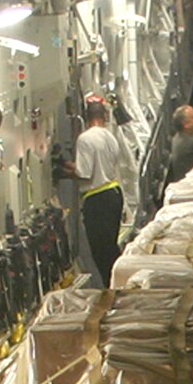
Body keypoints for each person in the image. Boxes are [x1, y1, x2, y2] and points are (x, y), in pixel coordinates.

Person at [69, 95, 128, 283]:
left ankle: (113, 290)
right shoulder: (110, 137)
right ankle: (118, 285)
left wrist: (64, 170)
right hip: (114, 193)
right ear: (104, 116)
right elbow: (104, 165)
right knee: (111, 247)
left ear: (86, 117)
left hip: (97, 199)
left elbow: (84, 173)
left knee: (102, 253)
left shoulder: (85, 139)